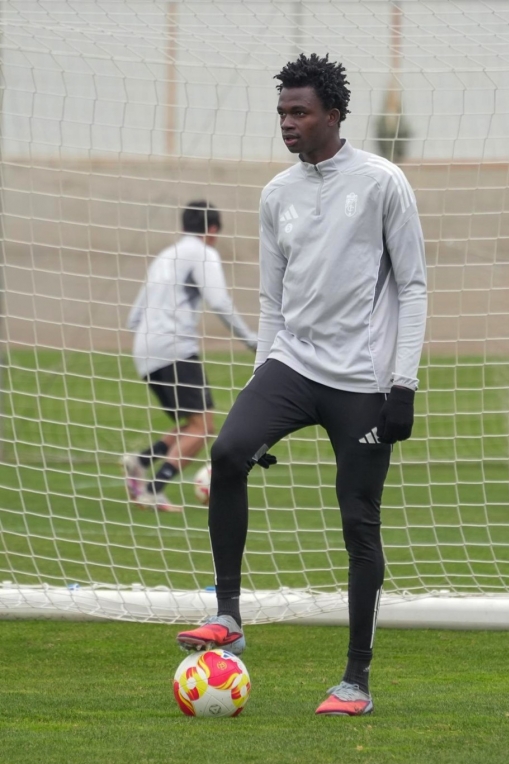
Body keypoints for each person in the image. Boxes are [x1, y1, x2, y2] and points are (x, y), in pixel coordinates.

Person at [176, 53, 427, 715]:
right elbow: (272, 300)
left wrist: (403, 385)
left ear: (333, 114)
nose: (287, 122)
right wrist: (263, 376)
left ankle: (355, 681)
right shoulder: (275, 194)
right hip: (292, 365)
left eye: (300, 111)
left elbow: (413, 286)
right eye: (282, 112)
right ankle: (228, 616)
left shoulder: (383, 182)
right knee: (229, 451)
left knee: (358, 522)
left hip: (364, 381)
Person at [123, 201, 257, 513]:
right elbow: (219, 301)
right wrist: (250, 339)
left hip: (144, 351)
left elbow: (133, 318)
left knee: (193, 422)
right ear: (213, 230)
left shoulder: (164, 256)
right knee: (204, 426)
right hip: (175, 347)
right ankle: (153, 489)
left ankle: (140, 460)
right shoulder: (203, 253)